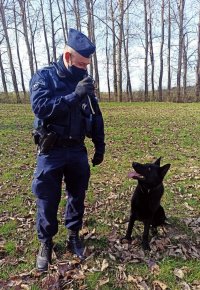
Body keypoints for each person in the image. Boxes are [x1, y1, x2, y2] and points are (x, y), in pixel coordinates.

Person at [29, 28, 105, 271]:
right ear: (67, 56)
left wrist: (100, 143)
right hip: (51, 150)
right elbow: (41, 108)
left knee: (77, 196)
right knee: (47, 200)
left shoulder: (83, 80)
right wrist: (74, 96)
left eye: (87, 64)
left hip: (76, 151)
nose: (85, 68)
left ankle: (74, 235)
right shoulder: (44, 77)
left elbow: (96, 113)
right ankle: (46, 242)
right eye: (81, 63)